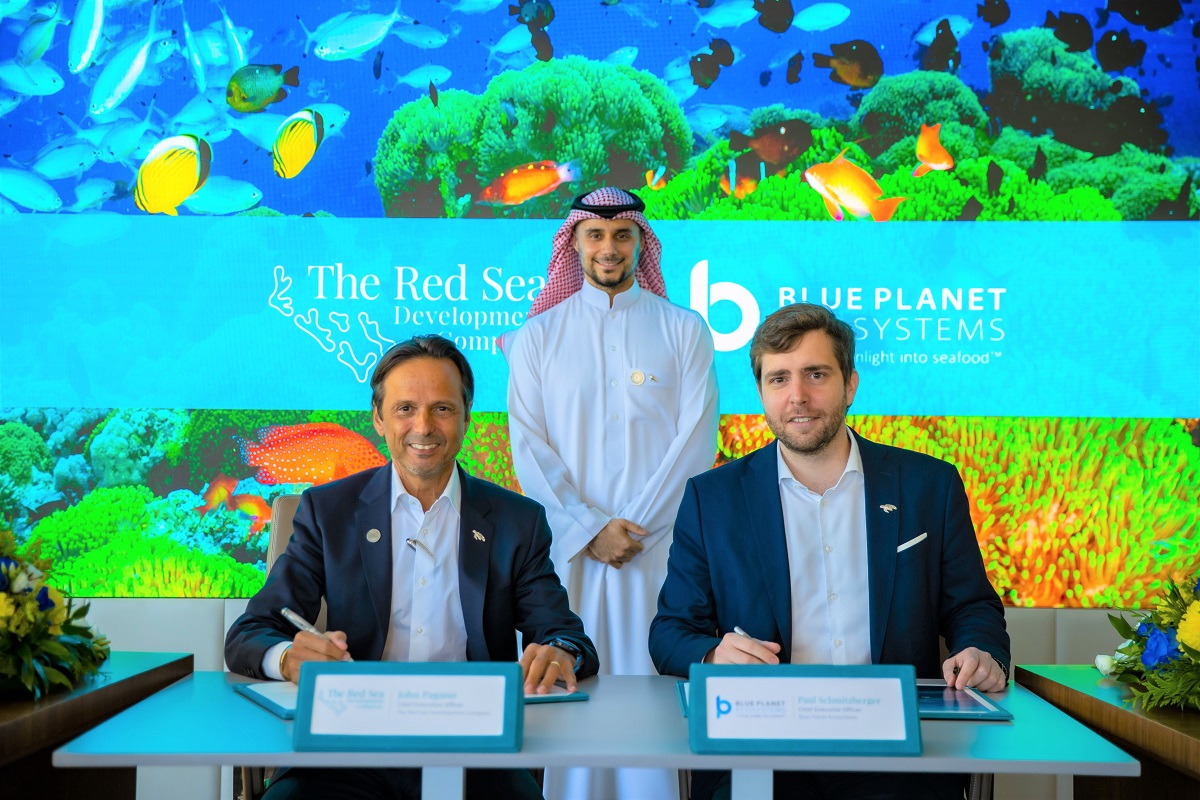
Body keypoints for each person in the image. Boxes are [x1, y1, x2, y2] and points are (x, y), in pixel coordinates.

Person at [649, 303, 1010, 800]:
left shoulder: (930, 485)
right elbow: (670, 633)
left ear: (851, 384)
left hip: (900, 754)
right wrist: (712, 652)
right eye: (779, 379)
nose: (797, 396)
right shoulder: (712, 498)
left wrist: (981, 650)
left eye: (816, 374)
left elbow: (972, 606)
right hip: (761, 753)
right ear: (760, 393)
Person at [225, 335, 599, 800]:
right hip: (346, 750)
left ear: (466, 416)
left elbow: (568, 636)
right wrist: (286, 659)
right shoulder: (329, 511)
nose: (424, 426)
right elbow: (249, 633)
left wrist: (560, 653)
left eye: (442, 408)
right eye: (405, 409)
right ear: (379, 418)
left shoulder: (515, 521)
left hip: (477, 749)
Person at [505, 188, 719, 800]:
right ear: (573, 241)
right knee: (566, 697)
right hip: (567, 561)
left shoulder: (684, 330)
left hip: (658, 558)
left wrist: (635, 528)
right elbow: (530, 449)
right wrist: (588, 528)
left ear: (639, 243)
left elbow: (694, 442)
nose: (608, 248)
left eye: (622, 235)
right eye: (595, 236)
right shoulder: (537, 337)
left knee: (655, 707)